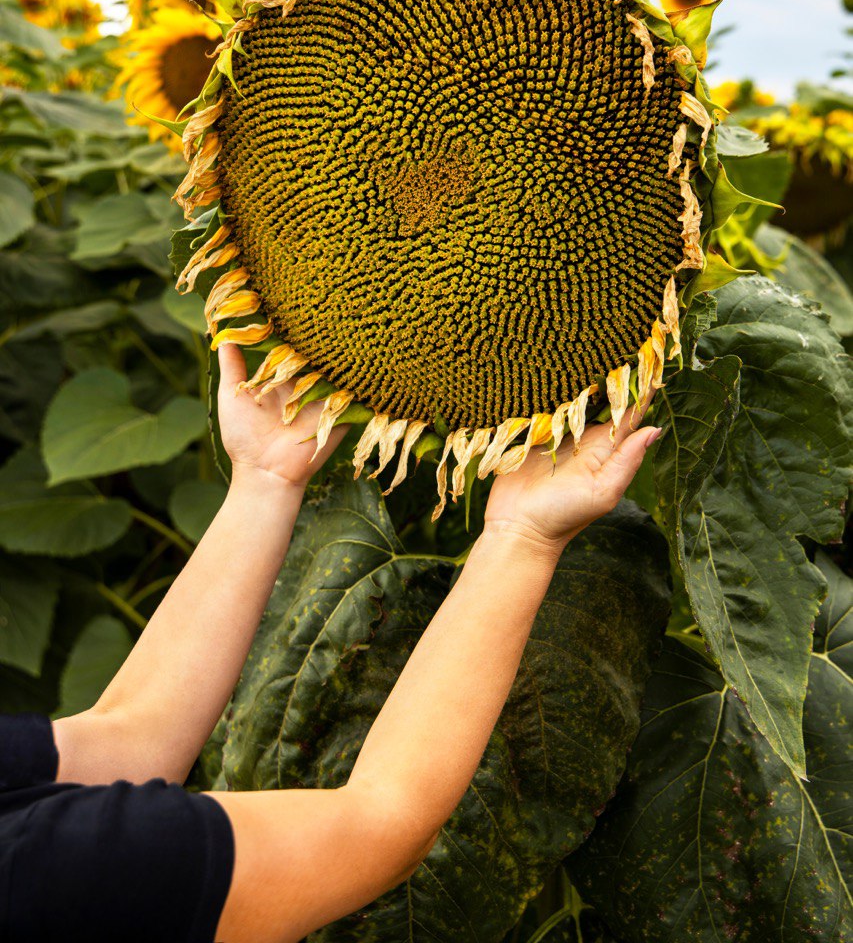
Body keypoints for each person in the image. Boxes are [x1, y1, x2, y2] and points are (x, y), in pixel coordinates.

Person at [1, 345, 660, 943]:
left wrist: (265, 476)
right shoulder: (52, 876)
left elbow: (127, 743)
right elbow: (375, 826)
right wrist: (522, 535)